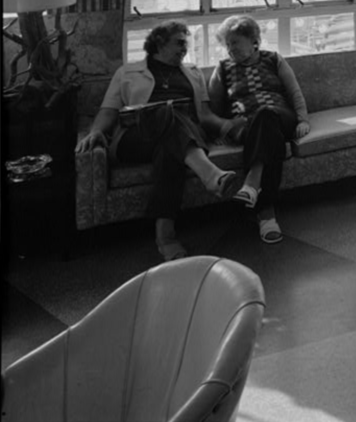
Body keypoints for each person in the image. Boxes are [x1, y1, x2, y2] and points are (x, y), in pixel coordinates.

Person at [75, 20, 242, 261]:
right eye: (179, 43)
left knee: (170, 144)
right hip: (135, 137)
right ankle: (211, 175)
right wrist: (95, 132)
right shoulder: (127, 72)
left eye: (186, 44)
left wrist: (227, 126)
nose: (185, 49)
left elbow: (204, 115)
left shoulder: (193, 72)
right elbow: (109, 110)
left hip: (181, 134)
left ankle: (165, 237)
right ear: (160, 42)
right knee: (168, 114)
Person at [208, 15, 310, 244]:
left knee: (266, 116)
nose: (230, 49)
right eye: (227, 45)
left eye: (235, 42)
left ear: (254, 41)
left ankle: (253, 184)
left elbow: (294, 92)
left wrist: (303, 120)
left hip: (279, 116)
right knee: (268, 137)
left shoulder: (273, 59)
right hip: (245, 125)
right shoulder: (223, 68)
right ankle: (266, 213)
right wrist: (219, 132)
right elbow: (215, 106)